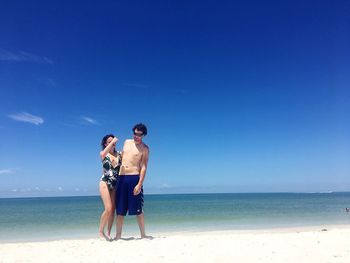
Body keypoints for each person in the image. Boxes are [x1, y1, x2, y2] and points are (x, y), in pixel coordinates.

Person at [115, 123, 150, 239]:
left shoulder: (145, 149)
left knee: (138, 210)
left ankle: (143, 234)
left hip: (134, 178)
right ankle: (118, 236)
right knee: (120, 210)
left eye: (139, 135)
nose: (137, 136)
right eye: (135, 134)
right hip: (122, 177)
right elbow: (122, 156)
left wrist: (139, 184)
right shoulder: (126, 142)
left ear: (143, 135)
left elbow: (144, 167)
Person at [98, 134, 121, 241]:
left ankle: (108, 232)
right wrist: (112, 142)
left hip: (115, 184)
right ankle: (100, 232)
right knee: (108, 208)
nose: (113, 143)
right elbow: (102, 154)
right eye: (109, 141)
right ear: (105, 144)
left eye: (114, 141)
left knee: (113, 210)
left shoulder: (119, 154)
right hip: (105, 182)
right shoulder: (104, 154)